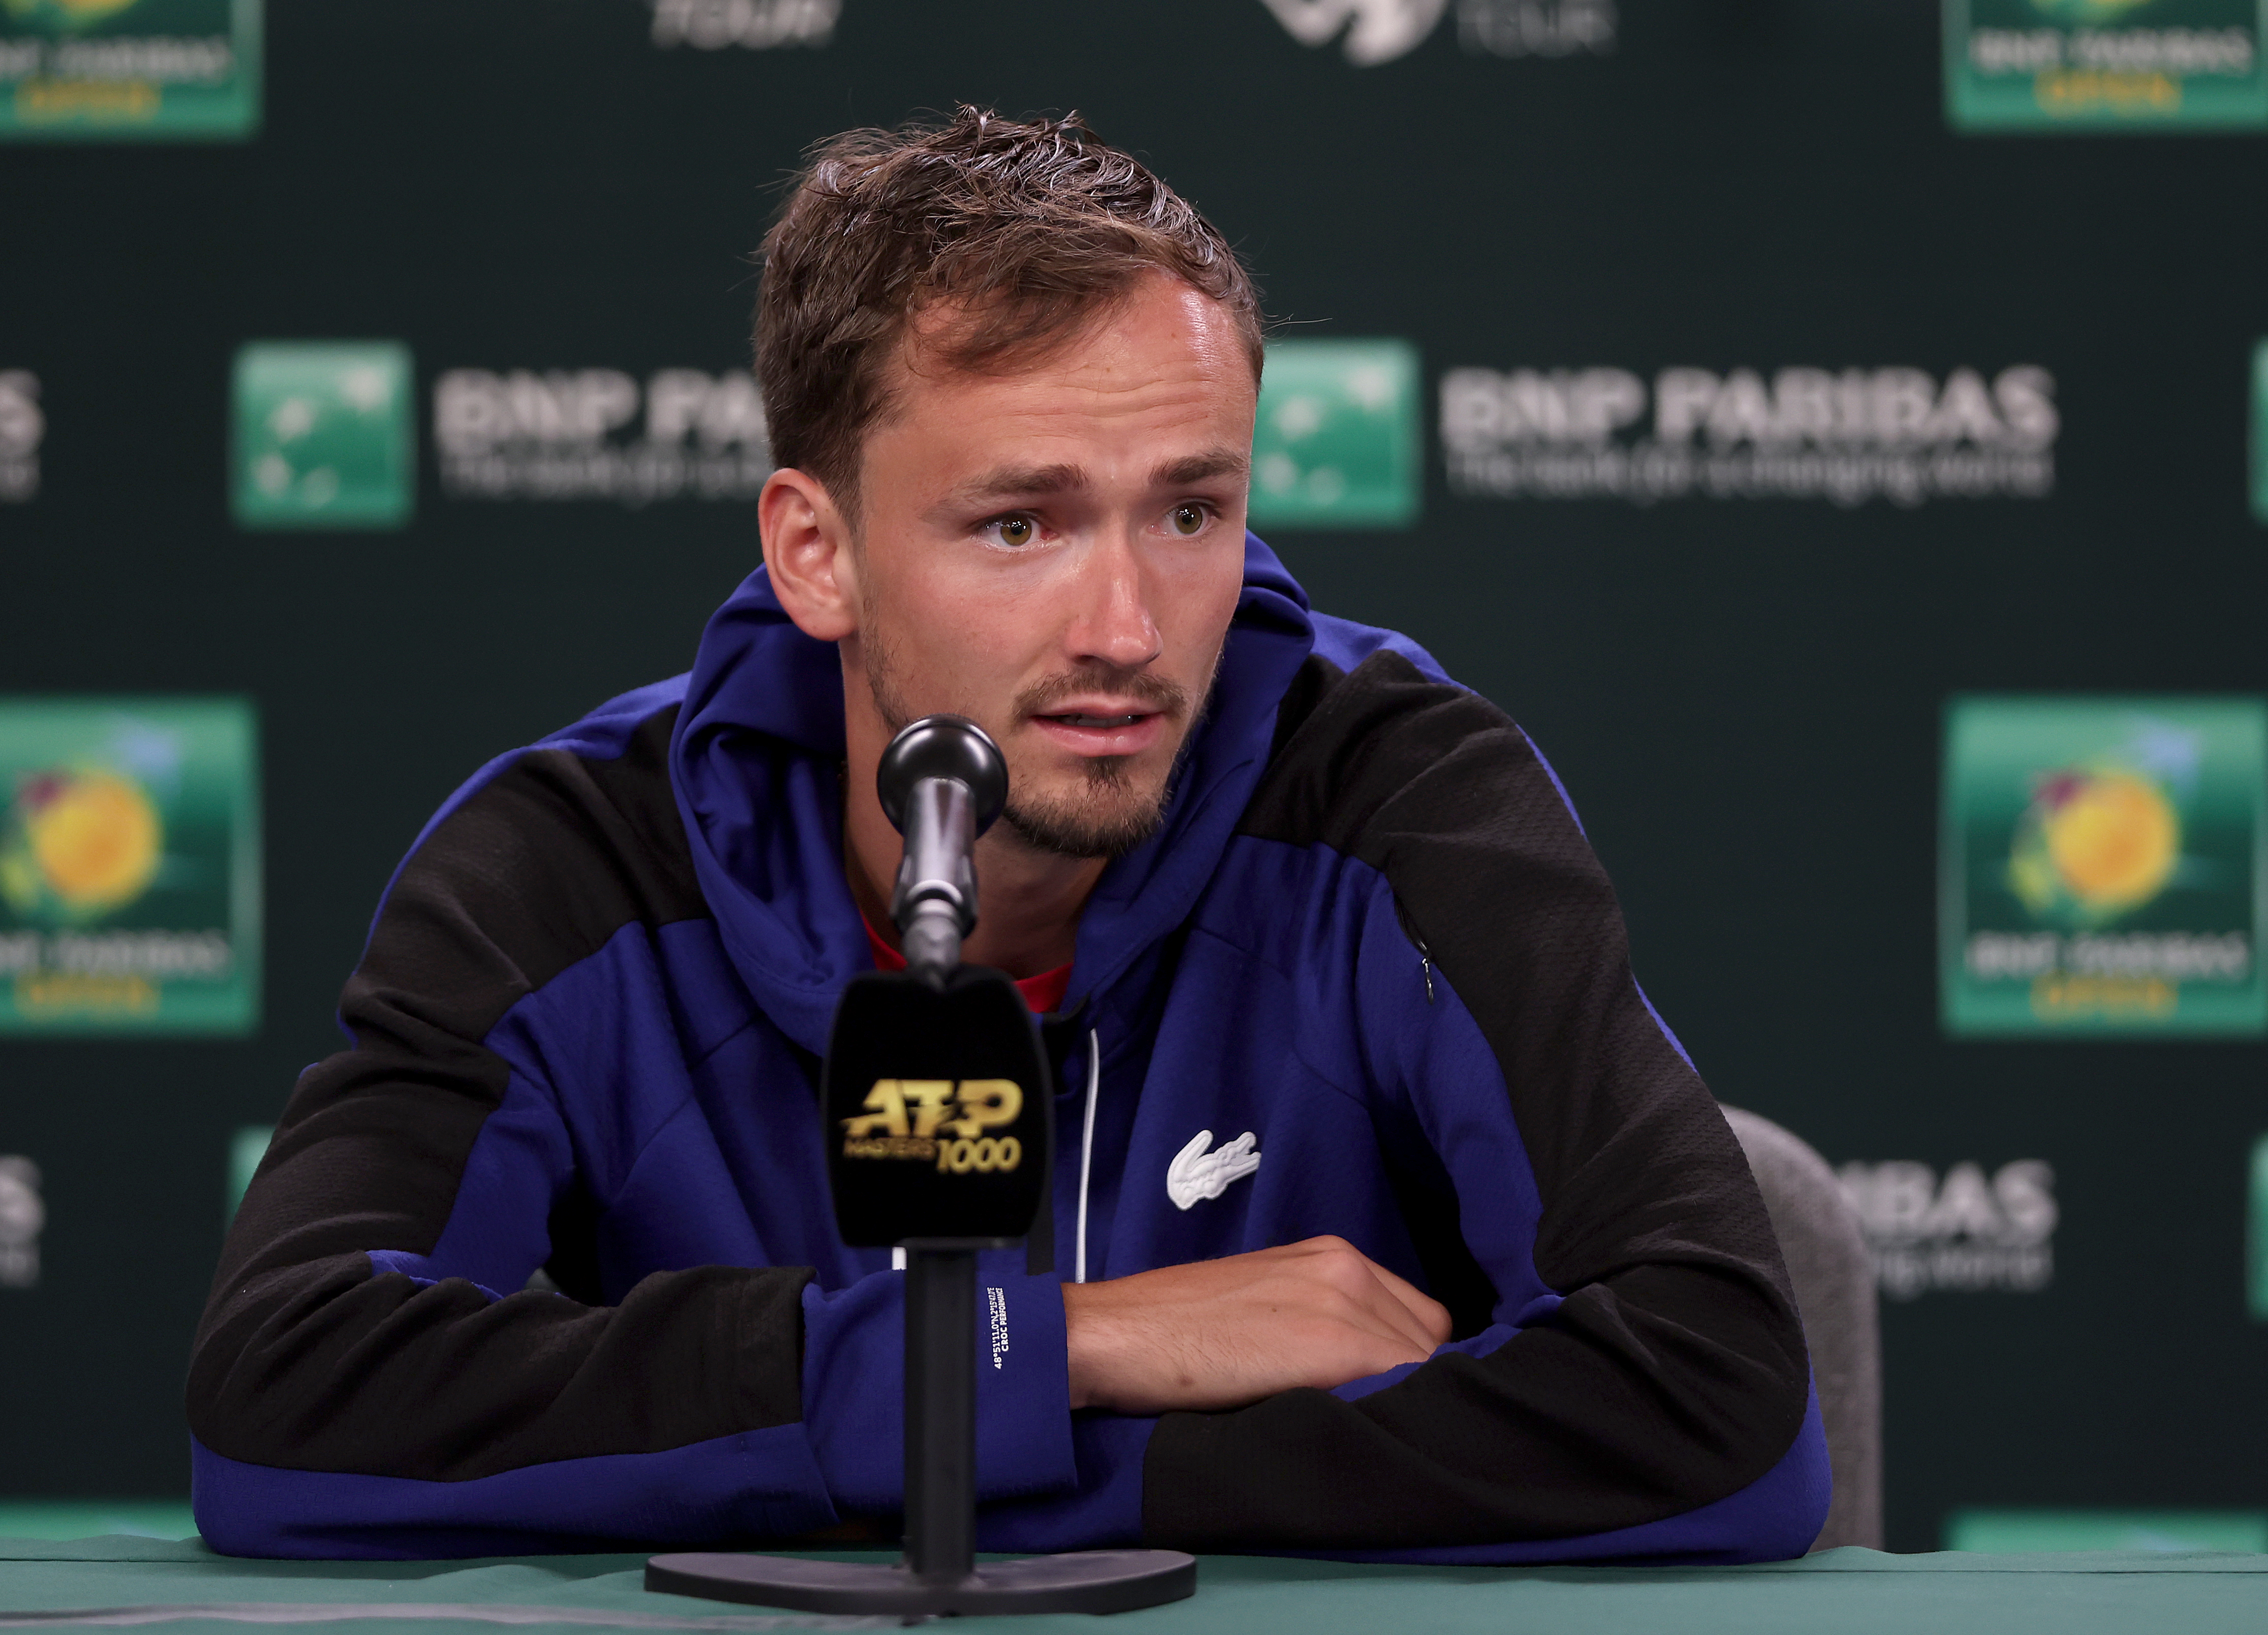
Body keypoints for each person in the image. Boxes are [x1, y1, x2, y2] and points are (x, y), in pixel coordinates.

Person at [189, 107, 1827, 1563]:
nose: (1126, 626)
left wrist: (959, 1472)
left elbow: (1719, 1403)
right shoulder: (568, 866)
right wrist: (1035, 1354)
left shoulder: (1398, 800)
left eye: (1188, 510)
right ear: (815, 552)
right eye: (1019, 523)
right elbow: (284, 1399)